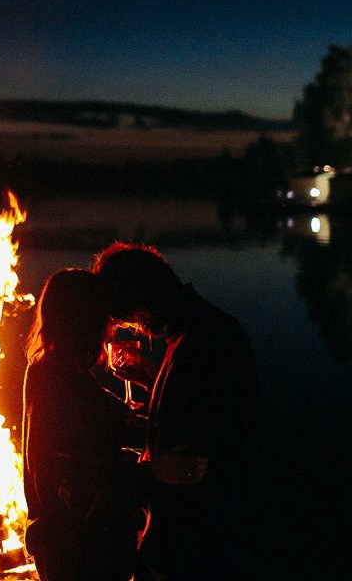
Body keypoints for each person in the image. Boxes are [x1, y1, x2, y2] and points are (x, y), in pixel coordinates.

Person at [92, 242, 258, 579]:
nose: (137, 330)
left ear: (140, 308)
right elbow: (189, 414)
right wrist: (149, 381)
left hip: (191, 548)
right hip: (200, 539)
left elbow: (191, 460)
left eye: (129, 320)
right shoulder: (201, 330)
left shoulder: (199, 344)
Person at [22, 268, 146, 581]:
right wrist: (152, 475)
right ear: (85, 322)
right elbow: (70, 474)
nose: (110, 331)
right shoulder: (61, 381)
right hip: (79, 552)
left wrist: (145, 381)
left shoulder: (51, 371)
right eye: (105, 319)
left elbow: (114, 422)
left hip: (65, 545)